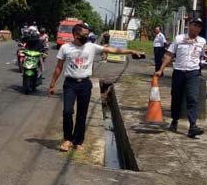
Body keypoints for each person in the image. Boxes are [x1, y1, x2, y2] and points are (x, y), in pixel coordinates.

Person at [49, 24, 142, 152]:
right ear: (76, 35)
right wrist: (52, 84)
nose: (87, 37)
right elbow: (59, 67)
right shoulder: (65, 48)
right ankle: (67, 139)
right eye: (84, 35)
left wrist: (131, 51)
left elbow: (113, 50)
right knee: (67, 111)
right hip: (70, 84)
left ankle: (78, 141)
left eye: (88, 35)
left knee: (82, 113)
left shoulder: (91, 47)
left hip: (85, 84)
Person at [155, 18, 207, 138]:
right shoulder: (179, 39)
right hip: (178, 72)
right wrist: (161, 69)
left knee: (192, 98)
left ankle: (193, 126)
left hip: (193, 73)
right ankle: (174, 120)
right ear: (189, 26)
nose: (197, 28)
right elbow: (169, 54)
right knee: (176, 97)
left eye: (199, 26)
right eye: (195, 25)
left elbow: (202, 56)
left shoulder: (202, 41)